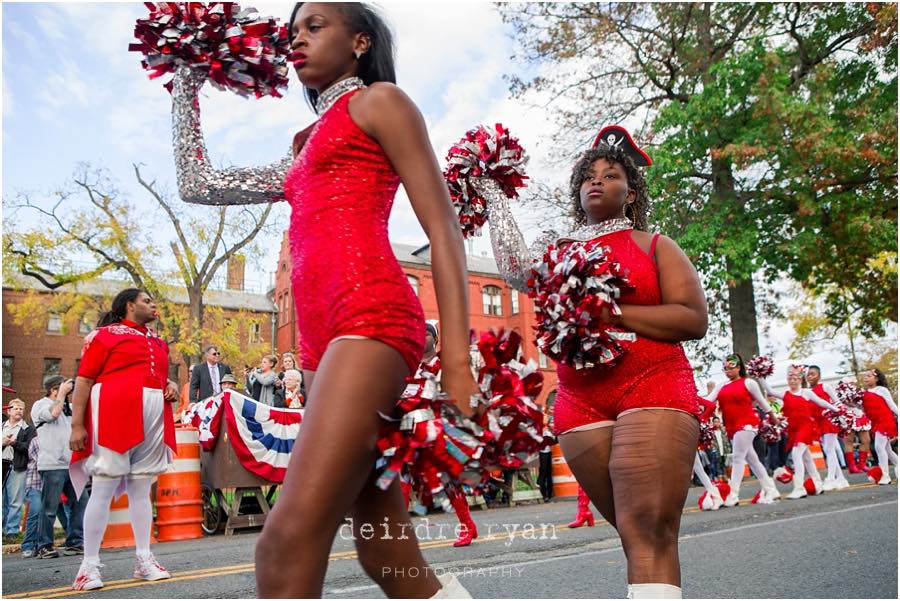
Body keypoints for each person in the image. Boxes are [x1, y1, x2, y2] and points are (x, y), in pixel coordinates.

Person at [172, 3, 478, 596]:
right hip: (318, 343)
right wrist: (186, 76)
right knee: (384, 549)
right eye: (292, 33)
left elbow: (443, 227)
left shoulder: (381, 102)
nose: (298, 41)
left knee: (284, 545)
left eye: (315, 27)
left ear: (360, 41)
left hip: (373, 318)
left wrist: (459, 363)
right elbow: (198, 185)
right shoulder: (302, 142)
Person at [486, 124, 706, 598]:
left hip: (652, 384)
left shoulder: (654, 245)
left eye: (610, 175)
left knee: (647, 527)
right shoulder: (561, 250)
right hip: (579, 403)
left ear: (630, 193)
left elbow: (692, 318)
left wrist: (612, 311)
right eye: (589, 175)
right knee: (634, 533)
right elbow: (517, 272)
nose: (597, 181)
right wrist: (491, 191)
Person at [67, 289, 181, 590]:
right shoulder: (103, 336)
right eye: (147, 301)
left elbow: (154, 374)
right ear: (130, 305)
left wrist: (169, 386)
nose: (153, 304)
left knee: (142, 489)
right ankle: (88, 566)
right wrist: (77, 425)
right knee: (104, 486)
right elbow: (85, 378)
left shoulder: (158, 341)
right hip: (114, 414)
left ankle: (144, 558)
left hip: (152, 416)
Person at [704, 354, 781, 507]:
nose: (727, 371)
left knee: (738, 457)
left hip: (747, 424)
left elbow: (761, 400)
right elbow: (708, 399)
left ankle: (734, 494)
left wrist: (773, 416)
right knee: (752, 458)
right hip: (731, 426)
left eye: (730, 368)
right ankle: (771, 488)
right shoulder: (721, 385)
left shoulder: (748, 383)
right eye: (725, 369)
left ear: (738, 367)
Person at [30, 376, 87, 558]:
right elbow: (52, 414)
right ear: (53, 389)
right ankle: (44, 545)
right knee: (50, 507)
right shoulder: (40, 405)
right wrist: (61, 395)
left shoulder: (69, 408)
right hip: (52, 464)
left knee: (81, 502)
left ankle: (75, 542)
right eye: (63, 387)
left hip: (72, 464)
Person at [763, 366, 839, 499]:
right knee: (806, 457)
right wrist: (759, 375)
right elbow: (769, 390)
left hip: (806, 427)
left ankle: (799, 487)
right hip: (793, 429)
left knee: (796, 453)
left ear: (800, 379)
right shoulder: (785, 394)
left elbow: (821, 402)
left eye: (795, 378)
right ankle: (817, 482)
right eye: (790, 378)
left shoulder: (806, 392)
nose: (792, 381)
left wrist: (836, 409)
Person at [806, 366, 850, 490]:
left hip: (829, 420)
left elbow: (837, 402)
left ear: (819, 376)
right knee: (828, 450)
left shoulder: (825, 387)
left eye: (813, 374)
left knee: (828, 449)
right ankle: (841, 478)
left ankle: (831, 478)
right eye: (808, 374)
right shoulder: (808, 391)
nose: (810, 377)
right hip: (819, 423)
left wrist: (843, 417)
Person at [861, 368, 898, 485]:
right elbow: (863, 409)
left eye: (868, 376)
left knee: (878, 446)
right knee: (887, 449)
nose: (865, 378)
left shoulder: (882, 390)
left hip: (885, 421)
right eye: (865, 376)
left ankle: (885, 475)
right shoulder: (864, 393)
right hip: (875, 423)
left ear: (876, 378)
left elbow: (892, 405)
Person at [3, 398, 30, 537]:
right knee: (2, 500)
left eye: (21, 409)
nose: (19, 411)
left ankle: (12, 531)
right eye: (16, 408)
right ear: (9, 411)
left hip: (17, 467)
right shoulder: (2, 426)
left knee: (15, 501)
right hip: (3, 465)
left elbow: (29, 448)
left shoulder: (27, 428)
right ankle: (2, 529)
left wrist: (14, 443)